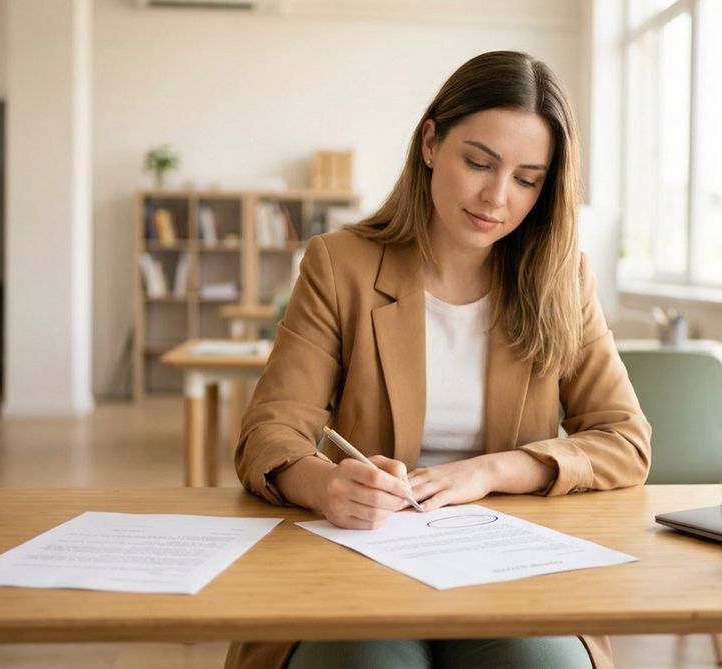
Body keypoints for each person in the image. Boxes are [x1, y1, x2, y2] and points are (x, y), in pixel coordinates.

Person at [225, 50, 651, 669]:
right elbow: (269, 432)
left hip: (506, 568)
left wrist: (490, 472)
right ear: (430, 143)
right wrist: (325, 485)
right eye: (478, 162)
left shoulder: (563, 280)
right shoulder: (338, 264)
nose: (496, 197)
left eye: (528, 179)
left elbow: (626, 441)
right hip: (359, 557)